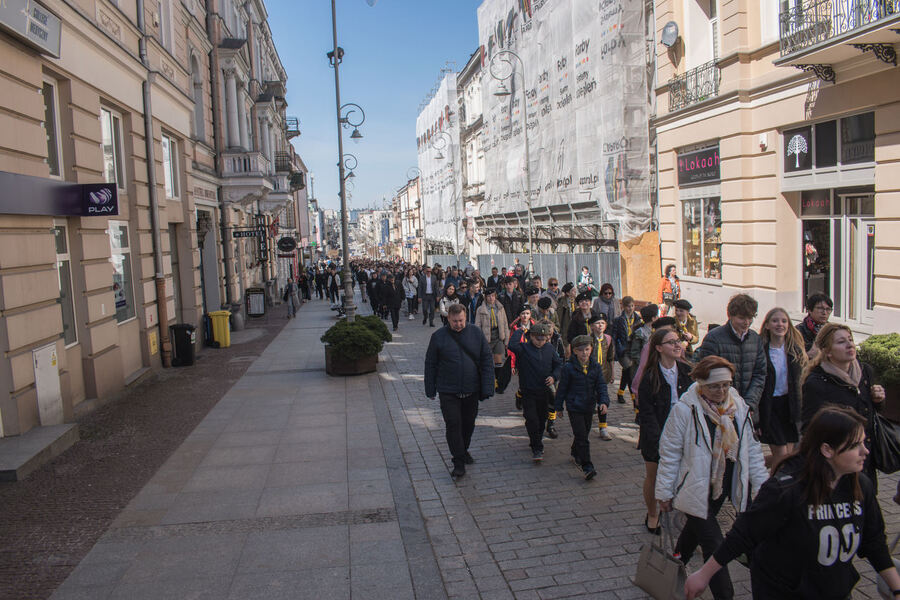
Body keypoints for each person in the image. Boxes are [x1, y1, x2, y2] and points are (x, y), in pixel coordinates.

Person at [684, 406, 900, 600]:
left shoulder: (861, 486)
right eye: (855, 445)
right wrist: (704, 575)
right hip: (784, 592)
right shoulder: (785, 490)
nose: (865, 451)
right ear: (827, 450)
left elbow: (874, 541)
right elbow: (744, 534)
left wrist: (896, 588)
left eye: (864, 442)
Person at [656, 356, 769, 600]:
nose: (721, 391)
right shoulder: (685, 409)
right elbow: (670, 452)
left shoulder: (738, 407)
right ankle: (724, 595)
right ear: (701, 384)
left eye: (726, 385)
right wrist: (664, 492)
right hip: (694, 488)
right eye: (715, 386)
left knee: (694, 533)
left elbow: (752, 450)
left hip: (724, 487)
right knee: (714, 544)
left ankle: (676, 563)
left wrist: (762, 486)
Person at [800, 322, 886, 488]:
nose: (849, 345)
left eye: (850, 339)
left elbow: (871, 412)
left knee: (866, 505)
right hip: (837, 463)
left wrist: (878, 400)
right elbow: (809, 428)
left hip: (864, 458)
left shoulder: (864, 371)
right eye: (841, 342)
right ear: (827, 351)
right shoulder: (817, 382)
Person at [424, 303, 495, 479]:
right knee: (453, 424)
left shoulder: (476, 334)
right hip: (448, 390)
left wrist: (487, 387)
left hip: (471, 389)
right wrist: (430, 388)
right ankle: (458, 461)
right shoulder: (438, 337)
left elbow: (486, 360)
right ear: (448, 318)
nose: (458, 324)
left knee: (468, 424)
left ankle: (463, 449)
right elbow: (430, 364)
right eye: (455, 321)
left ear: (466, 317)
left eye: (461, 320)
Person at [638, 328, 692, 534]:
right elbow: (647, 413)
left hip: (684, 433)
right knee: (653, 475)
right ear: (659, 348)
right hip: (657, 434)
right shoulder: (650, 377)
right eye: (671, 342)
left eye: (678, 341)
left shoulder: (687, 372)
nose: (677, 345)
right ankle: (652, 514)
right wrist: (659, 439)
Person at [695, 293, 767, 431]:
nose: (746, 322)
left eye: (750, 318)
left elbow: (760, 374)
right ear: (730, 316)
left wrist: (749, 404)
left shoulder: (755, 339)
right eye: (741, 318)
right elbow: (706, 375)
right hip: (719, 409)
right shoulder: (714, 338)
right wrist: (725, 402)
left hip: (747, 408)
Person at [556, 335, 610, 480]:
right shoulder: (568, 368)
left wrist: (603, 401)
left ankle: (575, 451)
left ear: (591, 349)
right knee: (581, 436)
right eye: (580, 350)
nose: (584, 353)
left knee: (584, 433)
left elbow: (601, 386)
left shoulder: (595, 366)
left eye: (587, 349)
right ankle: (587, 466)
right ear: (574, 351)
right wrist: (558, 406)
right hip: (574, 406)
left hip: (589, 405)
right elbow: (562, 388)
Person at [507, 322, 563, 462]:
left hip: (544, 392)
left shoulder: (549, 349)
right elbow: (512, 345)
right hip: (528, 391)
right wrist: (521, 331)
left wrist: (554, 376)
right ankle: (537, 447)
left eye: (543, 338)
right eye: (537, 338)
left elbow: (558, 365)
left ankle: (535, 439)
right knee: (532, 419)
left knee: (542, 419)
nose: (540, 341)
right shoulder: (524, 348)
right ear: (531, 336)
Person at [758, 307, 808, 465]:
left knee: (789, 456)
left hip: (790, 406)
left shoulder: (795, 351)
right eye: (775, 321)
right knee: (781, 455)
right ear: (767, 325)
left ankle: (754, 468)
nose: (780, 324)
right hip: (770, 407)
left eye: (784, 321)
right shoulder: (761, 351)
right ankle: (775, 488)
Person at [474, 287, 509, 389]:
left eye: (493, 296)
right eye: (488, 296)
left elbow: (505, 323)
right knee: (488, 360)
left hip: (498, 335)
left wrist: (506, 338)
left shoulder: (500, 308)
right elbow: (477, 325)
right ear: (485, 297)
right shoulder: (481, 309)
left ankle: (498, 380)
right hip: (486, 337)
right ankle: (490, 380)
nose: (491, 298)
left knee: (498, 359)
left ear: (495, 296)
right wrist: (479, 340)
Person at [589, 314, 615, 440]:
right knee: (590, 399)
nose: (600, 326)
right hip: (589, 375)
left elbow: (610, 357)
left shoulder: (608, 339)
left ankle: (603, 427)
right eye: (597, 323)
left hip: (603, 374)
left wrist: (612, 373)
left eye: (602, 323)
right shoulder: (588, 339)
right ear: (592, 326)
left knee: (603, 400)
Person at [612, 296, 642, 405]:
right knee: (629, 369)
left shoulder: (637, 319)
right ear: (623, 307)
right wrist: (615, 349)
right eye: (628, 306)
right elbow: (614, 336)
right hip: (623, 349)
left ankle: (620, 392)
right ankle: (634, 398)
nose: (630, 308)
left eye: (632, 306)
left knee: (627, 371)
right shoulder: (619, 320)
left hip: (633, 348)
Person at [557, 283, 577, 354]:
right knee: (567, 352)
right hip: (566, 330)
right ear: (568, 293)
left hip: (575, 330)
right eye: (573, 291)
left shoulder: (576, 302)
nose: (575, 292)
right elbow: (559, 318)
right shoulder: (562, 303)